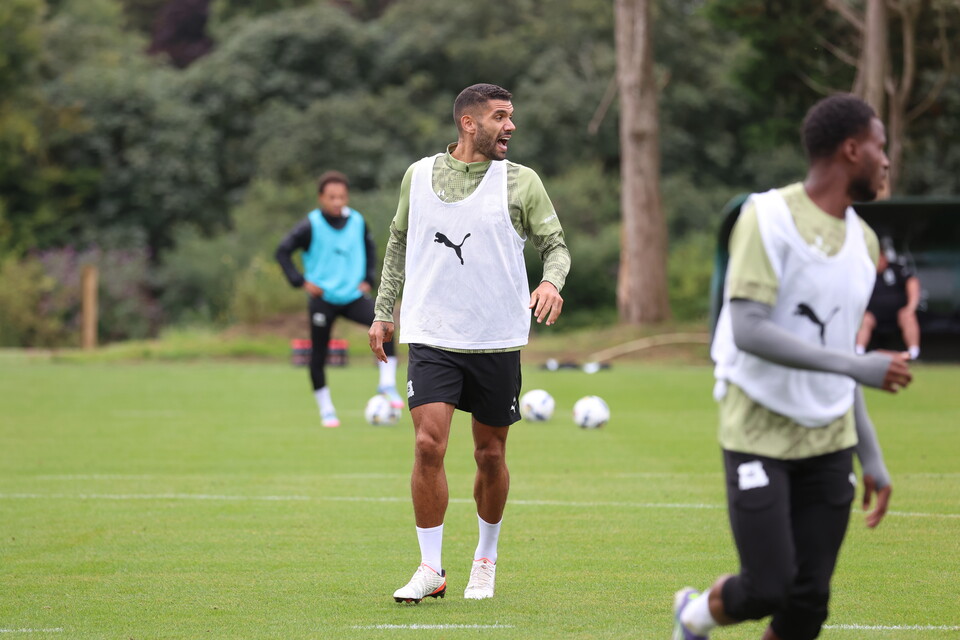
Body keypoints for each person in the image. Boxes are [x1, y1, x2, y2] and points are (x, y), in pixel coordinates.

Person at [674, 94, 913, 640]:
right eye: (880, 147)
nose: (886, 160)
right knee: (768, 587)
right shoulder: (768, 217)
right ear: (851, 149)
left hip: (831, 440)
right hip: (759, 432)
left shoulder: (864, 242)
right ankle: (692, 615)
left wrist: (872, 456)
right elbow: (748, 328)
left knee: (808, 602)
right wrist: (858, 364)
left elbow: (838, 355)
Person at [368, 83, 570, 603]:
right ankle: (430, 568)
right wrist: (384, 311)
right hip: (431, 334)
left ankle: (485, 559)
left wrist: (551, 282)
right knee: (427, 444)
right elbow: (397, 243)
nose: (511, 126)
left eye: (511, 116)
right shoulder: (417, 176)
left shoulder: (522, 182)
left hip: (496, 338)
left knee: (490, 455)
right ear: (469, 123)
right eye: (500, 116)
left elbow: (555, 246)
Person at [276, 170, 402, 428]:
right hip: (323, 299)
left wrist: (368, 278)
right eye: (331, 197)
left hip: (353, 296)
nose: (337, 202)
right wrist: (300, 281)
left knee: (385, 326)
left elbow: (369, 249)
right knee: (318, 354)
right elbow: (282, 252)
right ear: (321, 197)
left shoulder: (357, 221)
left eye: (342, 197)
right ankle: (327, 410)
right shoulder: (310, 225)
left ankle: (387, 385)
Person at [856, 242, 921, 360]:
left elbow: (912, 282)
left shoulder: (896, 269)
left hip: (898, 313)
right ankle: (858, 352)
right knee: (864, 319)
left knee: (908, 316)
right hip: (873, 314)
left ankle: (913, 353)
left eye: (880, 257)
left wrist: (910, 307)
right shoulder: (864, 272)